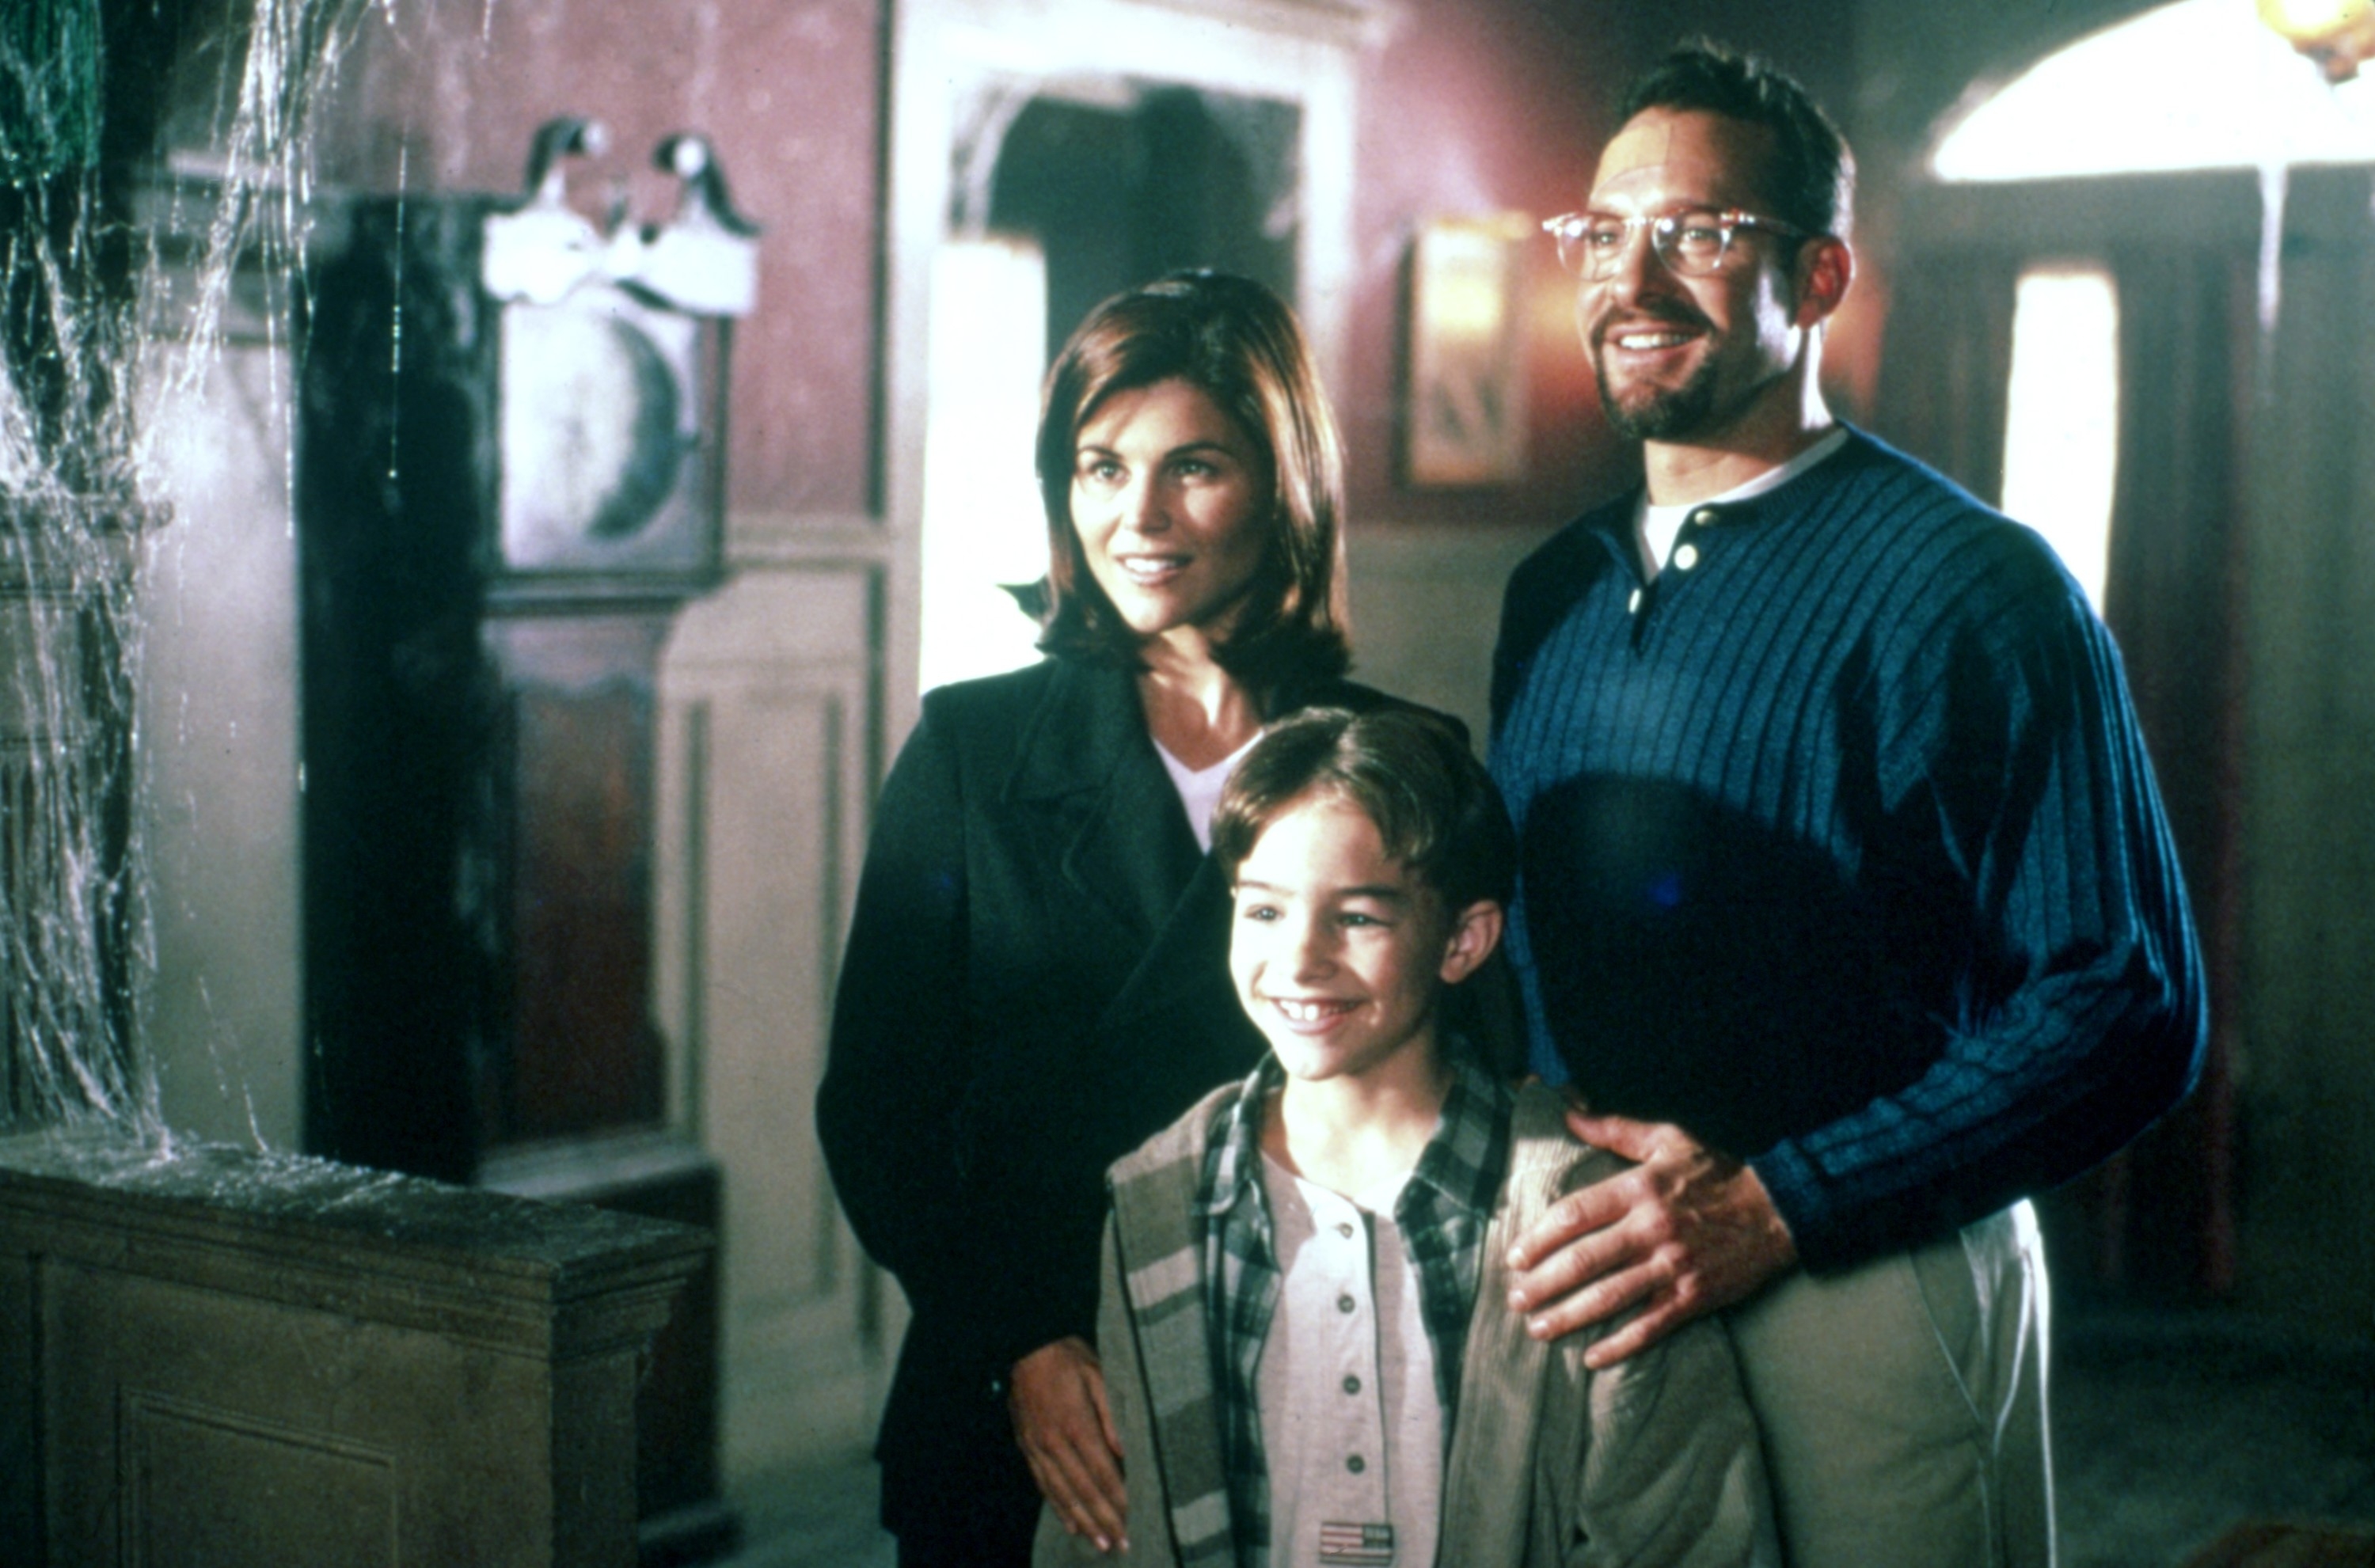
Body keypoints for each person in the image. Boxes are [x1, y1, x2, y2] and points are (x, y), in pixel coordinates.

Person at [1488, 42, 2206, 1566]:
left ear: (1818, 276)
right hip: (1604, 1259)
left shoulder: (1974, 586)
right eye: (1603, 232)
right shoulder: (1552, 589)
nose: (1632, 278)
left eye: (1696, 231)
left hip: (1864, 1270)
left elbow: (2128, 998)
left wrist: (1779, 1202)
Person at [816, 271, 1446, 1567]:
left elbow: (1453, 1102)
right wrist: (1019, 1342)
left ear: (1282, 484)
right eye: (1102, 468)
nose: (1138, 517)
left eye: (1193, 467)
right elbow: (877, 1110)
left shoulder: (1406, 759)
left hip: (1312, 1382)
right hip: (1027, 1401)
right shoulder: (971, 749)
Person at [1036, 705, 1776, 1567]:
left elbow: (1683, 1534)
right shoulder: (1159, 1200)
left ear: (1463, 940)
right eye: (1265, 911)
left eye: (1356, 918)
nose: (1300, 960)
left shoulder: (1590, 1212)